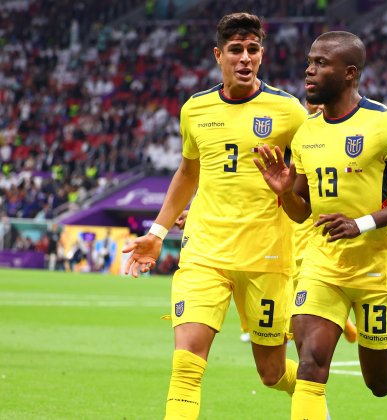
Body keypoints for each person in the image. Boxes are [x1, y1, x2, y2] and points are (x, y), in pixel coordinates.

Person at [254, 31, 387, 419]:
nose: (309, 71)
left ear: (349, 73)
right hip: (322, 264)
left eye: (321, 63)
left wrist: (361, 223)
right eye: (310, 61)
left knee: (381, 383)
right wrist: (283, 192)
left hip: (376, 268)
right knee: (311, 364)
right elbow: (300, 211)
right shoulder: (306, 132)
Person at [122, 13, 307, 419]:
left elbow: (308, 178)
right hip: (204, 252)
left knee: (272, 373)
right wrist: (158, 231)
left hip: (268, 257)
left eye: (253, 50)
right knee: (186, 363)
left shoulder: (289, 110)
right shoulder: (195, 109)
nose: (245, 59)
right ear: (218, 55)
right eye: (236, 50)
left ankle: (311, 392)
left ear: (262, 54)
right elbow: (188, 172)